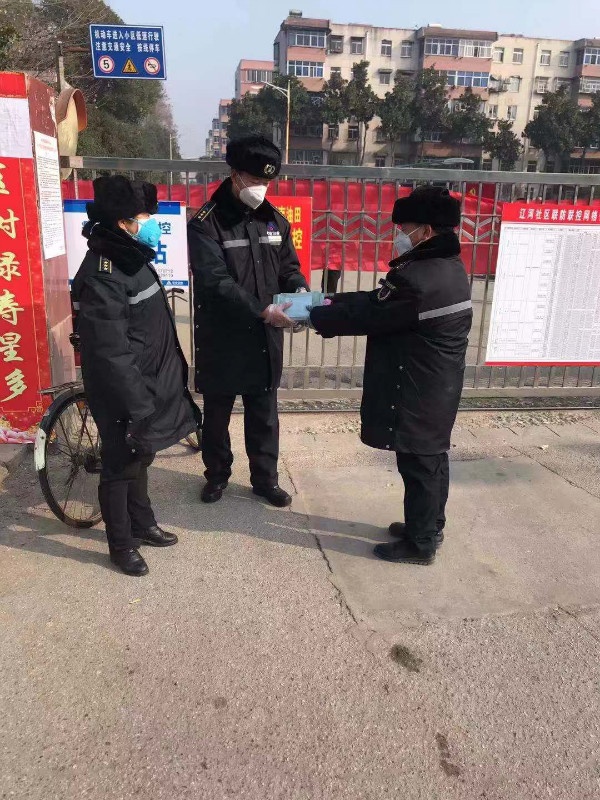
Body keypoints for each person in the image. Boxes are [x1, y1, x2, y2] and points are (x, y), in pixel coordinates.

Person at [310, 186, 472, 565]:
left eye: (404, 228)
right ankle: (428, 525)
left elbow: (371, 315)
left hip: (420, 386)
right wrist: (328, 301)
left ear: (426, 231)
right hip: (436, 382)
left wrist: (313, 315)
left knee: (419, 463)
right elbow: (378, 300)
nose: (399, 235)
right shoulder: (446, 267)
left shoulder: (419, 279)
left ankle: (420, 544)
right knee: (432, 457)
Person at [72, 176, 201, 576]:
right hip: (122, 391)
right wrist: (137, 402)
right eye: (144, 216)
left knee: (140, 456)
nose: (150, 223)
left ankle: (143, 523)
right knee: (119, 465)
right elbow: (110, 351)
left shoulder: (130, 256)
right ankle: (121, 544)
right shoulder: (103, 273)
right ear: (123, 221)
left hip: (147, 381)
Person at [187, 135, 309, 508]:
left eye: (266, 182)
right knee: (217, 415)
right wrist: (262, 309)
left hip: (263, 337)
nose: (260, 188)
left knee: (264, 413)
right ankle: (217, 475)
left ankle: (265, 480)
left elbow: (288, 267)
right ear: (235, 174)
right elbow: (215, 281)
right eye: (255, 180)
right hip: (222, 337)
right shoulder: (207, 223)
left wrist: (299, 289)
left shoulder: (274, 220)